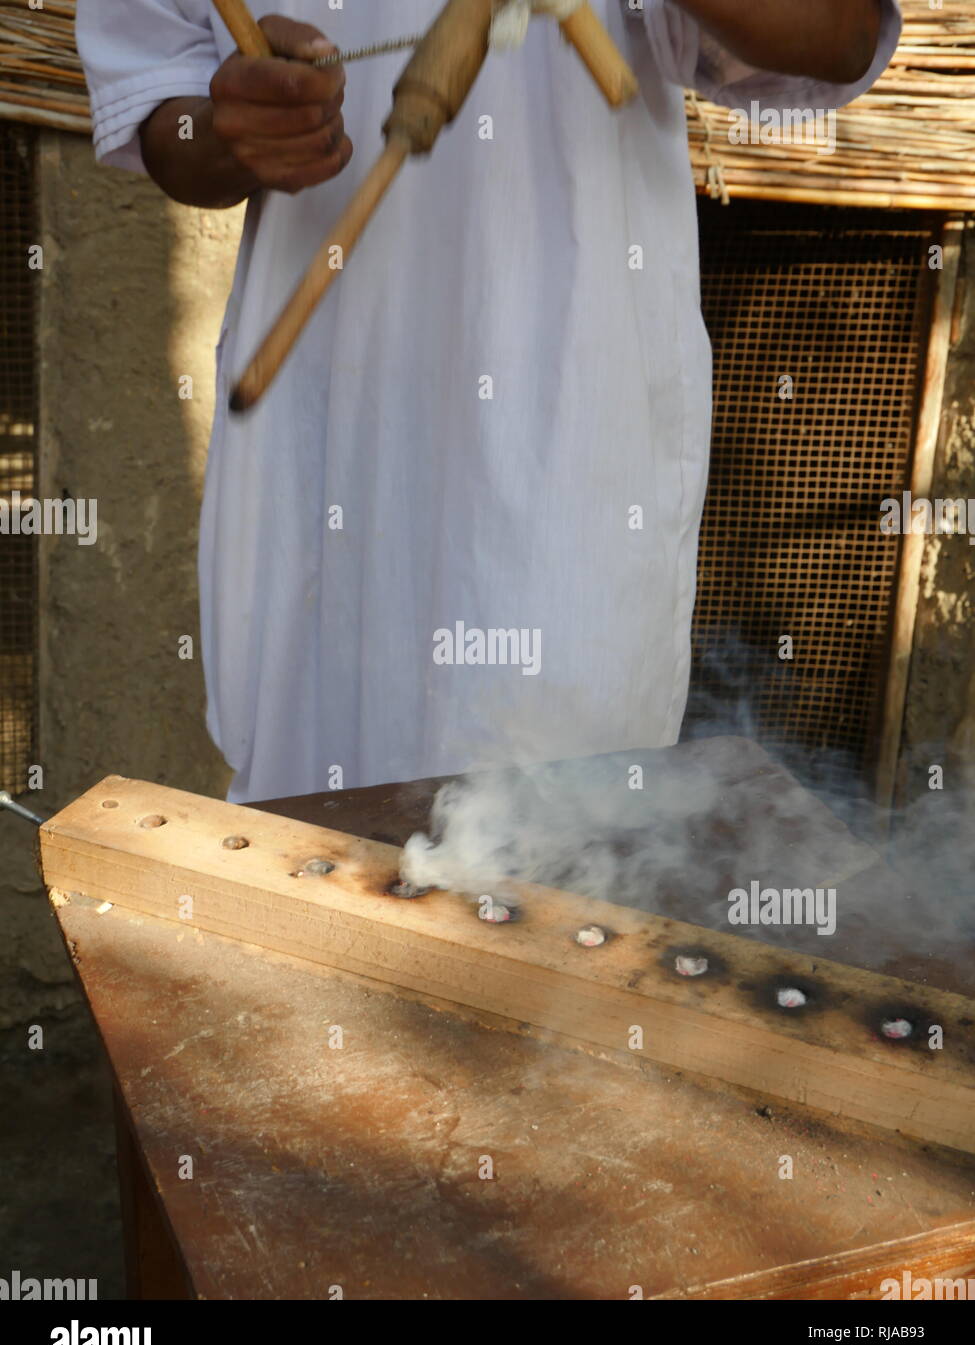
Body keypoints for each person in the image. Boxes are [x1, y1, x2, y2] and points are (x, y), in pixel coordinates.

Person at [76, 1, 901, 802]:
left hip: (571, 435)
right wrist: (231, 127)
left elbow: (842, 29)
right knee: (316, 845)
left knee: (550, 844)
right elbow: (158, 103)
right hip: (323, 448)